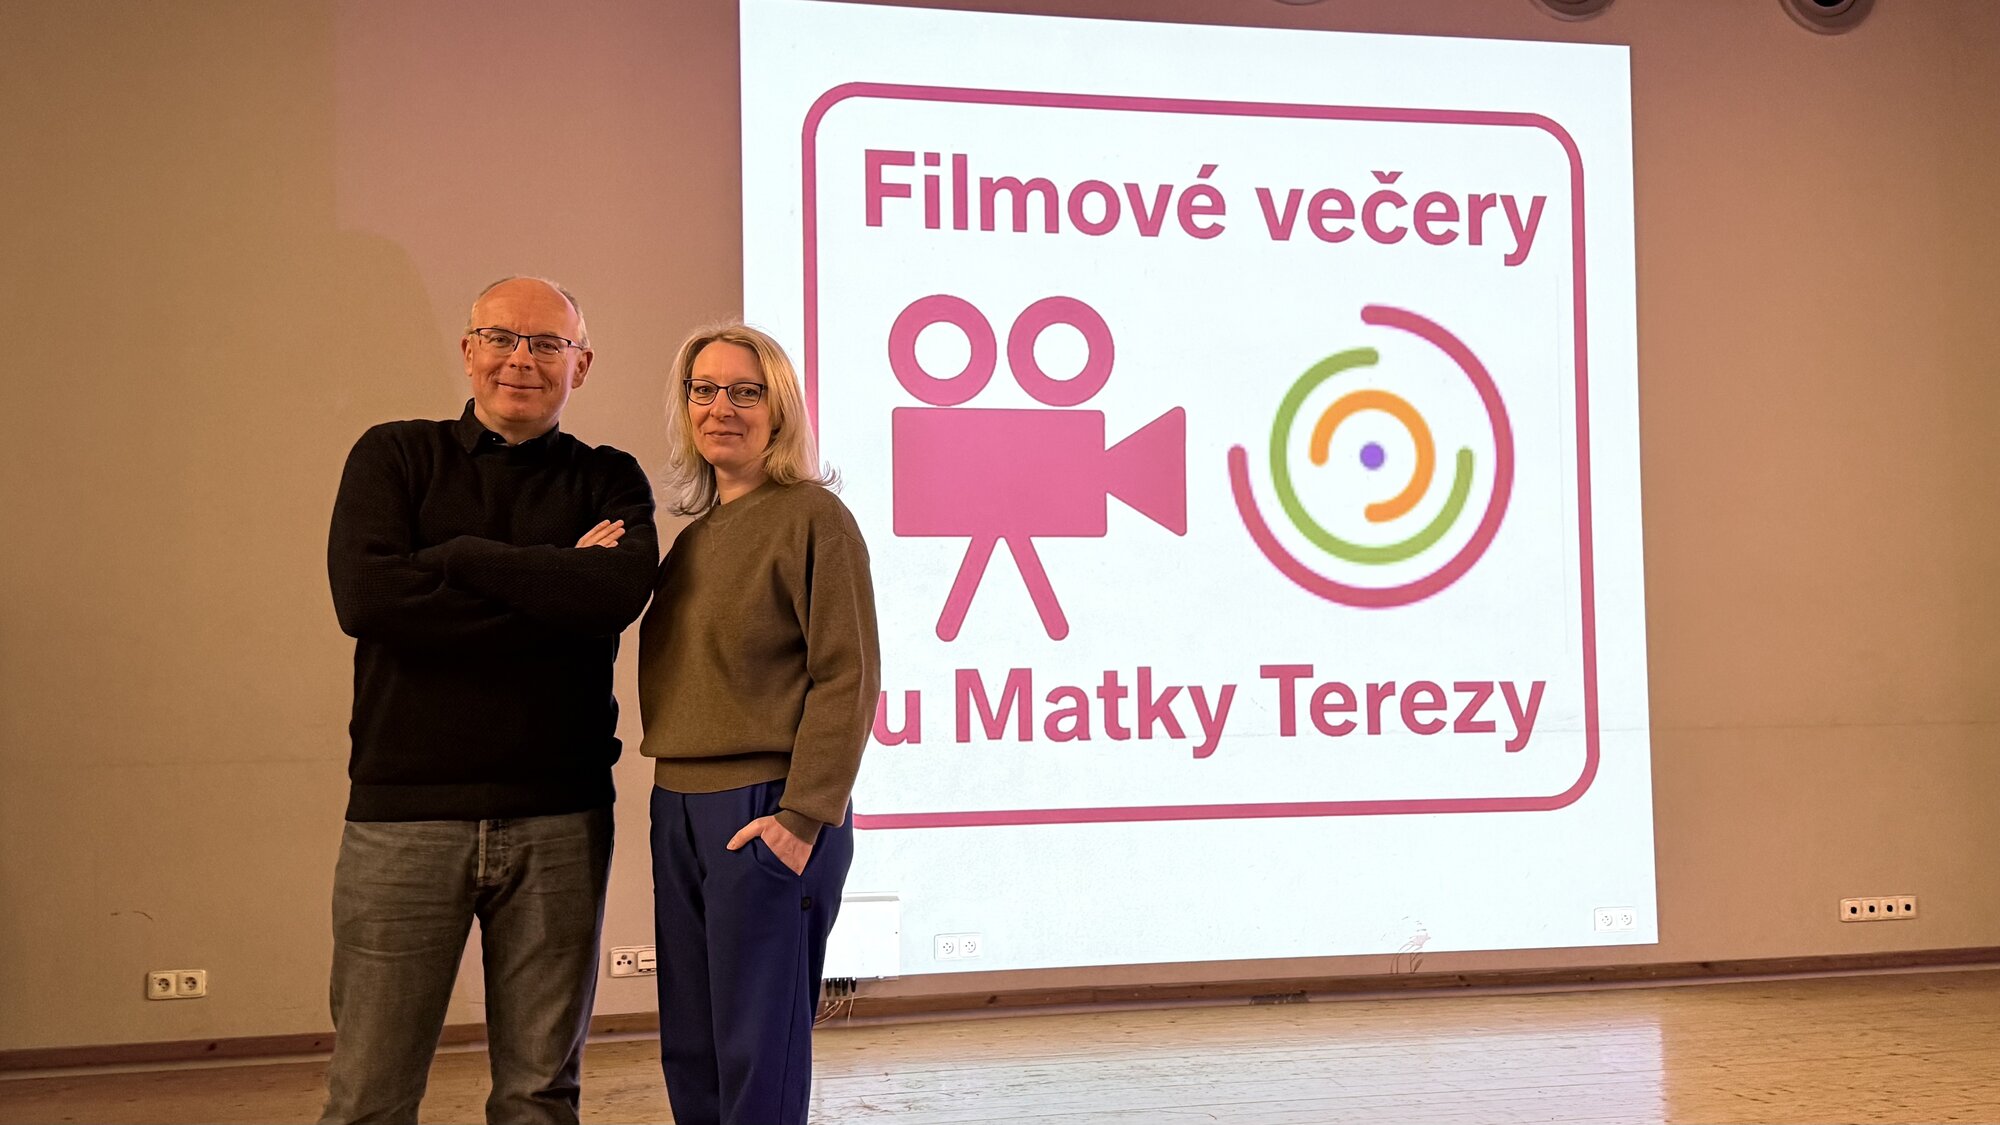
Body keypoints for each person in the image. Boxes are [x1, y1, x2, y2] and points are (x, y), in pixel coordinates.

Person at [321, 277, 657, 1124]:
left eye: (547, 343)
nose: (521, 359)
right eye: (502, 337)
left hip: (561, 819)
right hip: (404, 820)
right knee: (368, 1096)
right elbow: (367, 600)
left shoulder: (609, 477)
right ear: (469, 349)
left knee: (540, 1096)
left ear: (581, 363)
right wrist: (555, 580)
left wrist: (454, 557)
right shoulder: (394, 456)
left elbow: (613, 595)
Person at [637, 323, 880, 1125]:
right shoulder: (692, 541)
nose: (722, 408)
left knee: (756, 1048)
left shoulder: (814, 518)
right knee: (694, 1044)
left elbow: (847, 676)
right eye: (704, 390)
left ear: (779, 410)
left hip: (766, 807)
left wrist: (802, 817)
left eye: (746, 392)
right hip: (678, 806)